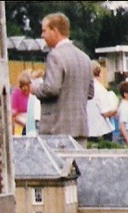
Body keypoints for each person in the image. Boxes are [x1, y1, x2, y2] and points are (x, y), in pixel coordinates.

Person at [31, 13, 94, 143]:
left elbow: (51, 88)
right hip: (80, 128)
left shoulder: (55, 56)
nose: (42, 35)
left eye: (44, 31)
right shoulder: (85, 58)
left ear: (55, 31)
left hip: (57, 129)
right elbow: (90, 92)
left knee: (57, 164)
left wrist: (35, 88)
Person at [87, 61, 117, 142]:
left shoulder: (82, 87)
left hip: (86, 130)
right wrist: (115, 110)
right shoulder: (99, 89)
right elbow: (105, 112)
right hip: (100, 130)